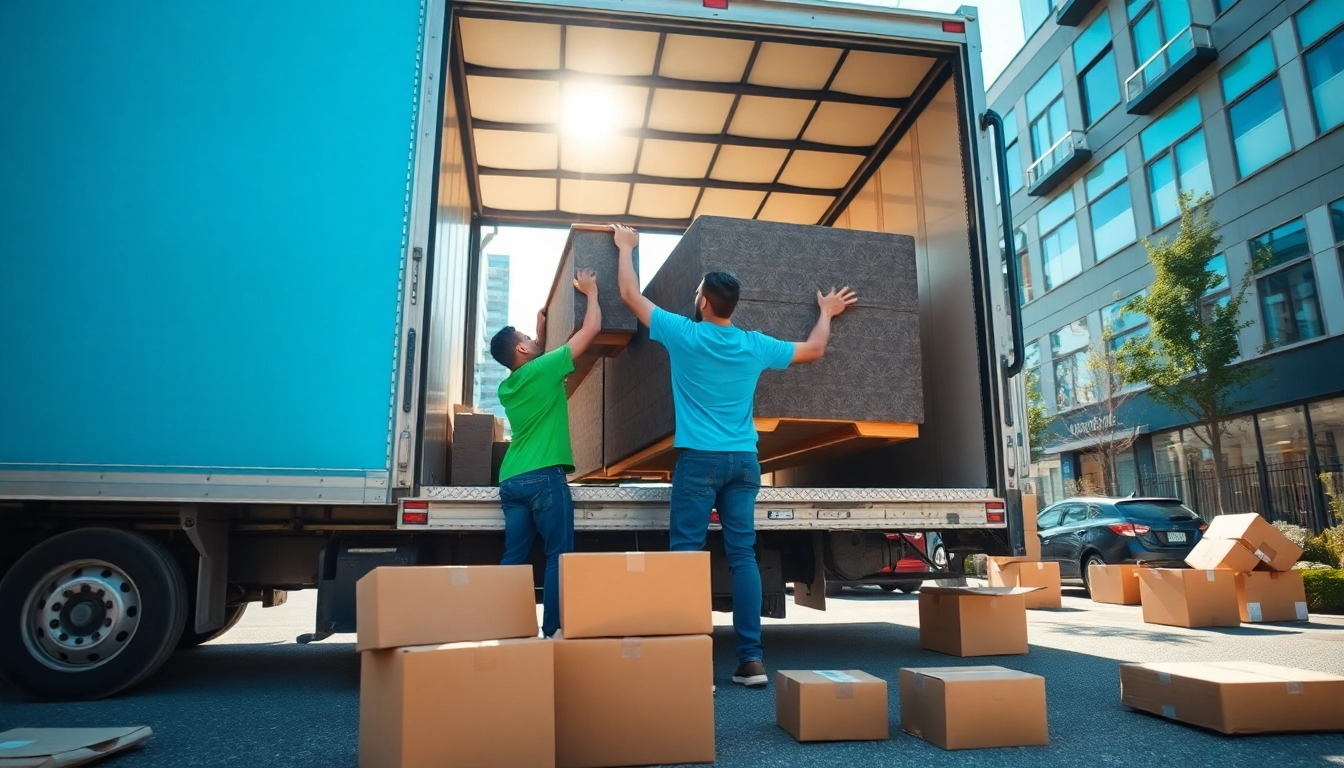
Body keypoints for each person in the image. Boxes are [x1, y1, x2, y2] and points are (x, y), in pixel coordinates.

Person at [612, 223, 857, 687]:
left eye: (697, 291)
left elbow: (628, 294)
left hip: (698, 461)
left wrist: (626, 247)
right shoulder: (754, 344)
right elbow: (815, 349)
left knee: (686, 557)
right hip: (744, 462)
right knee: (743, 555)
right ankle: (751, 662)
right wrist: (826, 311)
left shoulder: (683, 333)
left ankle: (691, 662)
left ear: (704, 302)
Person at [490, 268, 603, 638]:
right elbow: (591, 329)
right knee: (558, 556)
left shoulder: (508, 387)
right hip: (543, 477)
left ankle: (505, 628)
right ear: (522, 349)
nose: (531, 338)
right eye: (526, 337)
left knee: (514, 556)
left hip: (512, 479)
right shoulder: (544, 369)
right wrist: (591, 292)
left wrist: (538, 334)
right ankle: (552, 631)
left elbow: (533, 362)